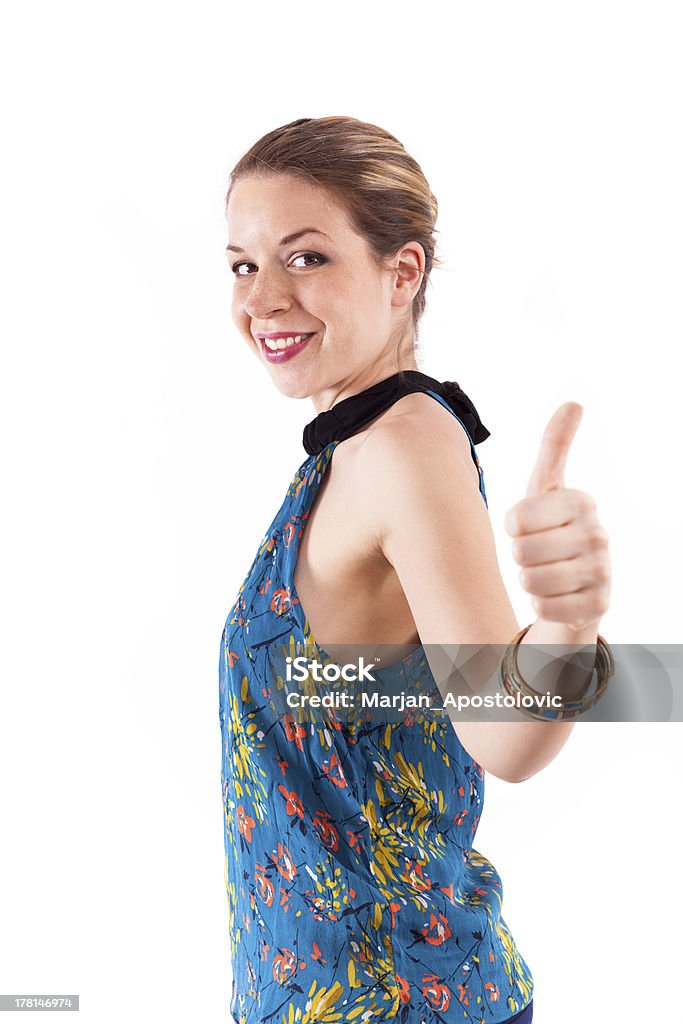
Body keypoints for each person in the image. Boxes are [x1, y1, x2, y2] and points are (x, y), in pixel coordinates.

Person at [218, 116, 611, 1024]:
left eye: (305, 257)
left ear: (401, 273)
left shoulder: (402, 446)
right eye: (242, 264)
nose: (263, 299)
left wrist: (565, 626)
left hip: (399, 996)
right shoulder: (349, 451)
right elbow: (378, 695)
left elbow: (502, 737)